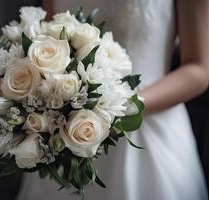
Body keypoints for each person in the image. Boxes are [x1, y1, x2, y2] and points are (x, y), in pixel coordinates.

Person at [16, 0, 209, 199]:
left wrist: (119, 108)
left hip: (148, 126)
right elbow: (44, 39)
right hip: (64, 129)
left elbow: (199, 69)